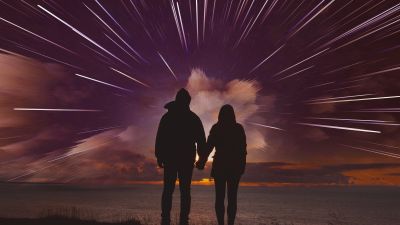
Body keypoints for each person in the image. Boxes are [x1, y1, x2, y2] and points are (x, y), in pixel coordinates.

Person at [155, 88, 206, 225]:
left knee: (169, 189)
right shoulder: (193, 118)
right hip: (185, 159)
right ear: (188, 102)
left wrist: (159, 156)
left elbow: (160, 138)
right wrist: (201, 159)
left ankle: (166, 219)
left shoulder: (167, 118)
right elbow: (201, 141)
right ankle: (182, 219)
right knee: (184, 191)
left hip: (172, 159)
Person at [196, 104, 247, 225]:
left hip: (220, 167)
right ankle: (230, 223)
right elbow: (243, 150)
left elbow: (208, 147)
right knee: (232, 198)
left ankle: (221, 223)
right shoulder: (238, 128)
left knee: (219, 198)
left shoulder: (216, 128)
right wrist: (242, 167)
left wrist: (202, 161)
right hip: (234, 167)